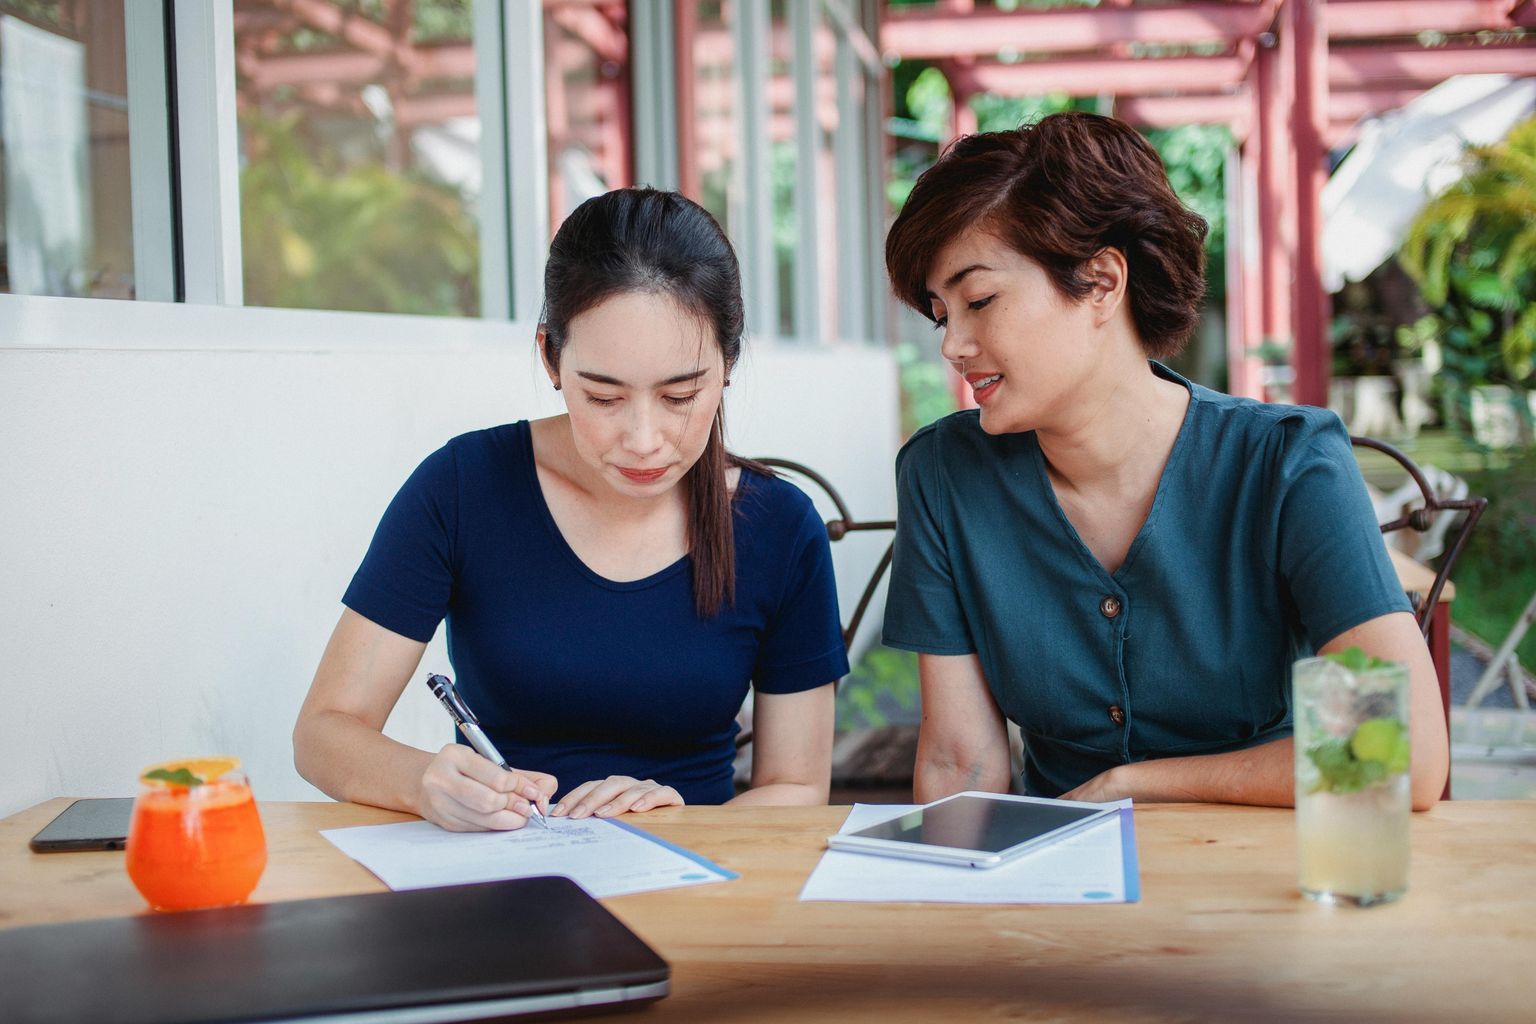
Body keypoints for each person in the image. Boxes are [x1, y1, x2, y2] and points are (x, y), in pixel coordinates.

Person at [881, 112, 1448, 810]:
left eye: (979, 300)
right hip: (1057, 882)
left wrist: (1133, 785)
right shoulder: (944, 475)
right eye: (942, 315)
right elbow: (960, 761)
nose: (953, 345)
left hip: (1266, 872)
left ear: (1102, 282)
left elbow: (1405, 751)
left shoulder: (1287, 463)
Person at [294, 187, 846, 831]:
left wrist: (681, 819)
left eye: (680, 395)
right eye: (604, 397)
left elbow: (798, 787)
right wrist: (421, 781)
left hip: (699, 882)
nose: (644, 439)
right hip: (503, 877)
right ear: (551, 358)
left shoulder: (779, 527)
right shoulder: (463, 487)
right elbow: (324, 733)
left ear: (728, 364)